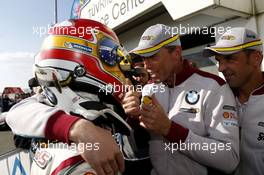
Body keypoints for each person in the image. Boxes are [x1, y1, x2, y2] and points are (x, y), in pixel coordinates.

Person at [6, 19, 150, 175]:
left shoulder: (49, 109)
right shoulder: (80, 163)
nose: (121, 64)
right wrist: (82, 130)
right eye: (111, 54)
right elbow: (16, 113)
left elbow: (16, 112)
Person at [122, 24, 240, 175]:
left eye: (152, 57)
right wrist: (133, 118)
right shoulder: (148, 89)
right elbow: (142, 144)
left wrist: (169, 129)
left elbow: (229, 158)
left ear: (176, 53)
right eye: (143, 58)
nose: (146, 65)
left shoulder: (214, 87)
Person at [203, 27, 264, 175]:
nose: (221, 68)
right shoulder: (216, 97)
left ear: (256, 58)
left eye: (230, 58)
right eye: (219, 61)